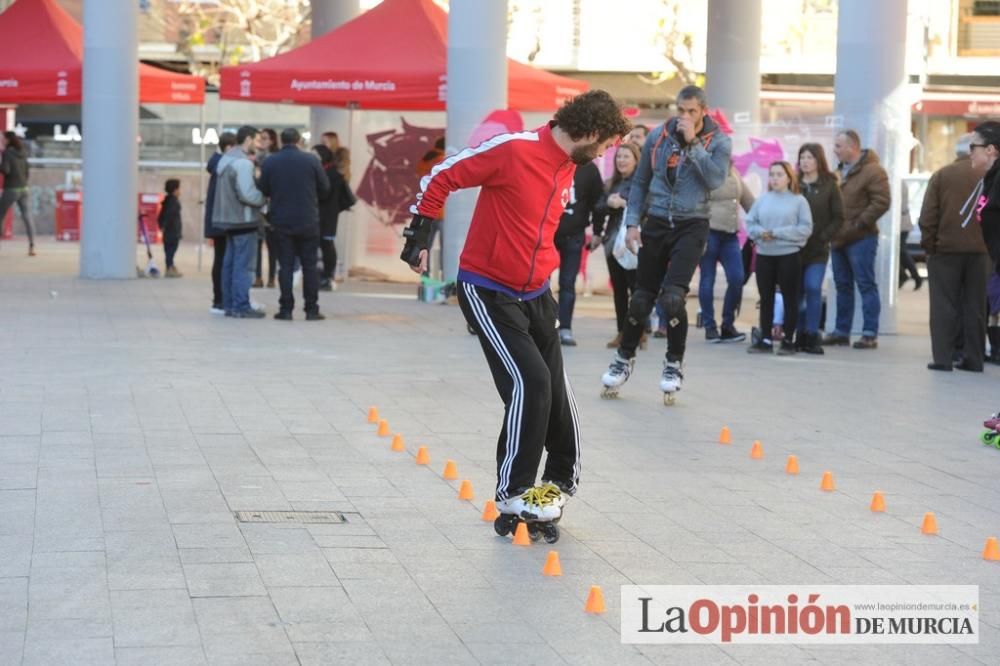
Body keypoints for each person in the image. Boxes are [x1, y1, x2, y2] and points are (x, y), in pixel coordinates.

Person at [401, 89, 631, 526]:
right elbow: (442, 175)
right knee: (532, 383)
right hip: (487, 289)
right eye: (604, 145)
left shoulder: (569, 165)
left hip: (536, 292)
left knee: (555, 387)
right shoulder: (513, 150)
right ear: (591, 132)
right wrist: (419, 237)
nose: (603, 154)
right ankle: (513, 494)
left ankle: (559, 480)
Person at [601, 85, 733, 400]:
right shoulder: (658, 137)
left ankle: (673, 362)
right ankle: (624, 358)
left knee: (673, 298)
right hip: (657, 220)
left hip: (692, 222)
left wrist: (694, 145)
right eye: (680, 111)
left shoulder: (719, 141)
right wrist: (632, 223)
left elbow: (715, 180)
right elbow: (642, 181)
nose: (684, 117)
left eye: (691, 111)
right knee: (641, 298)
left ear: (703, 111)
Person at [920, 134, 990, 372]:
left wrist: (930, 246)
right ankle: (974, 358)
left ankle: (943, 358)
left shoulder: (943, 175)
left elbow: (928, 215)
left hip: (946, 250)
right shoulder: (991, 176)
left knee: (943, 305)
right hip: (982, 252)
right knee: (976, 306)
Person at [824, 129, 890, 349]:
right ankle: (842, 332)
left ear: (853, 147)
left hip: (861, 237)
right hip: (838, 238)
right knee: (842, 285)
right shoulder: (838, 172)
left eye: (839, 146)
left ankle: (869, 333)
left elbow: (881, 201)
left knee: (865, 284)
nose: (835, 151)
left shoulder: (873, 171)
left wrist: (859, 224)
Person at [259, 128, 331, 321]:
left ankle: (286, 309)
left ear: (281, 141)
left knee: (285, 267)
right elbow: (325, 189)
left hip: (281, 221)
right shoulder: (311, 161)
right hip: (308, 220)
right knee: (309, 266)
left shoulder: (271, 161)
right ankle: (311, 309)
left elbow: (263, 188)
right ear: (299, 140)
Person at [745, 162, 813, 355]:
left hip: (788, 255)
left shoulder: (799, 201)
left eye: (779, 174)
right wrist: (760, 233)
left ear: (789, 177)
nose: (775, 178)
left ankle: (788, 339)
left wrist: (777, 233)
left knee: (790, 298)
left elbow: (805, 229)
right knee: (765, 298)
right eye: (772, 174)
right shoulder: (763, 200)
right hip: (765, 255)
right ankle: (765, 338)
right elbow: (750, 223)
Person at [214, 125, 267, 319]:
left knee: (229, 263)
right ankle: (240, 305)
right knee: (243, 266)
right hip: (243, 219)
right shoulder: (243, 163)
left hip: (227, 219)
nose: (259, 144)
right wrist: (264, 199)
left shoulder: (226, 160)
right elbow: (248, 194)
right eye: (257, 140)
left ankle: (229, 304)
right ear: (249, 139)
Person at [796, 142, 844, 354]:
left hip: (818, 249)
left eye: (809, 157)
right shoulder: (794, 183)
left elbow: (838, 217)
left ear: (818, 160)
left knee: (813, 287)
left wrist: (825, 237)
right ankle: (798, 334)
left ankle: (812, 333)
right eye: (802, 157)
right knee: (796, 292)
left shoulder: (829, 185)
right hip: (794, 248)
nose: (805, 161)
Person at [699, 160, 754, 342]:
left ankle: (727, 325)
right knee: (708, 279)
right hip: (709, 232)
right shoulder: (704, 170)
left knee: (737, 278)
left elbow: (749, 202)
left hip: (730, 235)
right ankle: (709, 326)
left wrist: (765, 216)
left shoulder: (734, 171)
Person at [593, 142, 641, 348]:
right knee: (619, 291)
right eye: (619, 156)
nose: (621, 160)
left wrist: (624, 203)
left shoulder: (640, 184)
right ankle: (622, 332)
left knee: (636, 289)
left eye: (626, 157)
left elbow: (644, 205)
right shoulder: (610, 183)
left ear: (636, 160)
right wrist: (609, 203)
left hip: (632, 243)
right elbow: (598, 207)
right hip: (612, 243)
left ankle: (638, 331)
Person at [554, 159, 604, 346]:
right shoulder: (552, 162)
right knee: (537, 281)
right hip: (546, 233)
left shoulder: (589, 169)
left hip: (574, 234)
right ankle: (539, 326)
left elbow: (598, 202)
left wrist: (598, 232)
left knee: (567, 283)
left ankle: (565, 328)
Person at [313, 144, 355, 291]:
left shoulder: (329, 173)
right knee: (325, 244)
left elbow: (325, 194)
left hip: (326, 215)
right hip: (327, 215)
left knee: (326, 245)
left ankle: (327, 276)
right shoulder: (330, 172)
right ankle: (325, 275)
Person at [205, 132, 237, 314]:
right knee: (224, 259)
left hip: (218, 220)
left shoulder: (216, 163)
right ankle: (221, 299)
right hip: (224, 219)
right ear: (229, 148)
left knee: (220, 258)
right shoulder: (224, 165)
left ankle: (220, 299)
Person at [416, 137, 447, 278]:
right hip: (443, 211)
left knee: (425, 246)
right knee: (445, 248)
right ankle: (444, 275)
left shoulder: (424, 160)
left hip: (428, 210)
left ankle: (425, 276)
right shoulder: (443, 159)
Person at [0, 132, 35, 256]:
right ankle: (32, 246)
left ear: (8, 140)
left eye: (3, 138)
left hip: (11, 189)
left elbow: (6, 170)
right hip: (23, 188)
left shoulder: (7, 153)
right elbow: (27, 170)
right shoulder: (23, 152)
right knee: (27, 217)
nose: (2, 140)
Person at [253, 128, 279, 289]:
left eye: (265, 138)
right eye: (261, 138)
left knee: (272, 244)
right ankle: (258, 277)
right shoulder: (255, 157)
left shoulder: (275, 159)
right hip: (258, 204)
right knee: (257, 242)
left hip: (271, 205)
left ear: (272, 140)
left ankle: (271, 277)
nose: (262, 141)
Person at [898, 180, 922, 290]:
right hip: (901, 223)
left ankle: (915, 277)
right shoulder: (899, 182)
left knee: (901, 252)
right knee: (899, 252)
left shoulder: (898, 182)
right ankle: (903, 275)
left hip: (901, 224)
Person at [157, 179, 183, 278]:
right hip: (172, 231)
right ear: (174, 190)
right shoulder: (172, 202)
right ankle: (169, 268)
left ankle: (170, 266)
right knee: (170, 250)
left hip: (170, 230)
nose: (180, 191)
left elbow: (161, 216)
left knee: (169, 250)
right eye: (179, 189)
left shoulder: (167, 200)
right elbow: (168, 215)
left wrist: (161, 225)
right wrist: (163, 226)